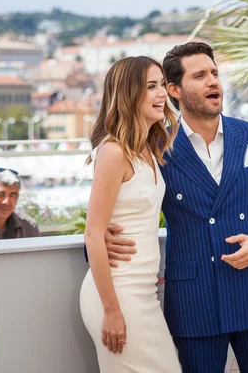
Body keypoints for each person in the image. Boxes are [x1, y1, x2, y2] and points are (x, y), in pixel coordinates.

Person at [104, 42, 248, 372]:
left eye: (214, 73)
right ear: (174, 90)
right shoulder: (154, 144)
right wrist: (103, 240)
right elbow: (125, 207)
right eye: (200, 75)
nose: (213, 81)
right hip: (195, 303)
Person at [79, 56, 181, 373]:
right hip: (118, 295)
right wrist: (111, 310)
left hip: (143, 295)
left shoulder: (150, 149)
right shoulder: (113, 152)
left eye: (162, 84)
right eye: (151, 86)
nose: (162, 93)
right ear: (128, 94)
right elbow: (93, 233)